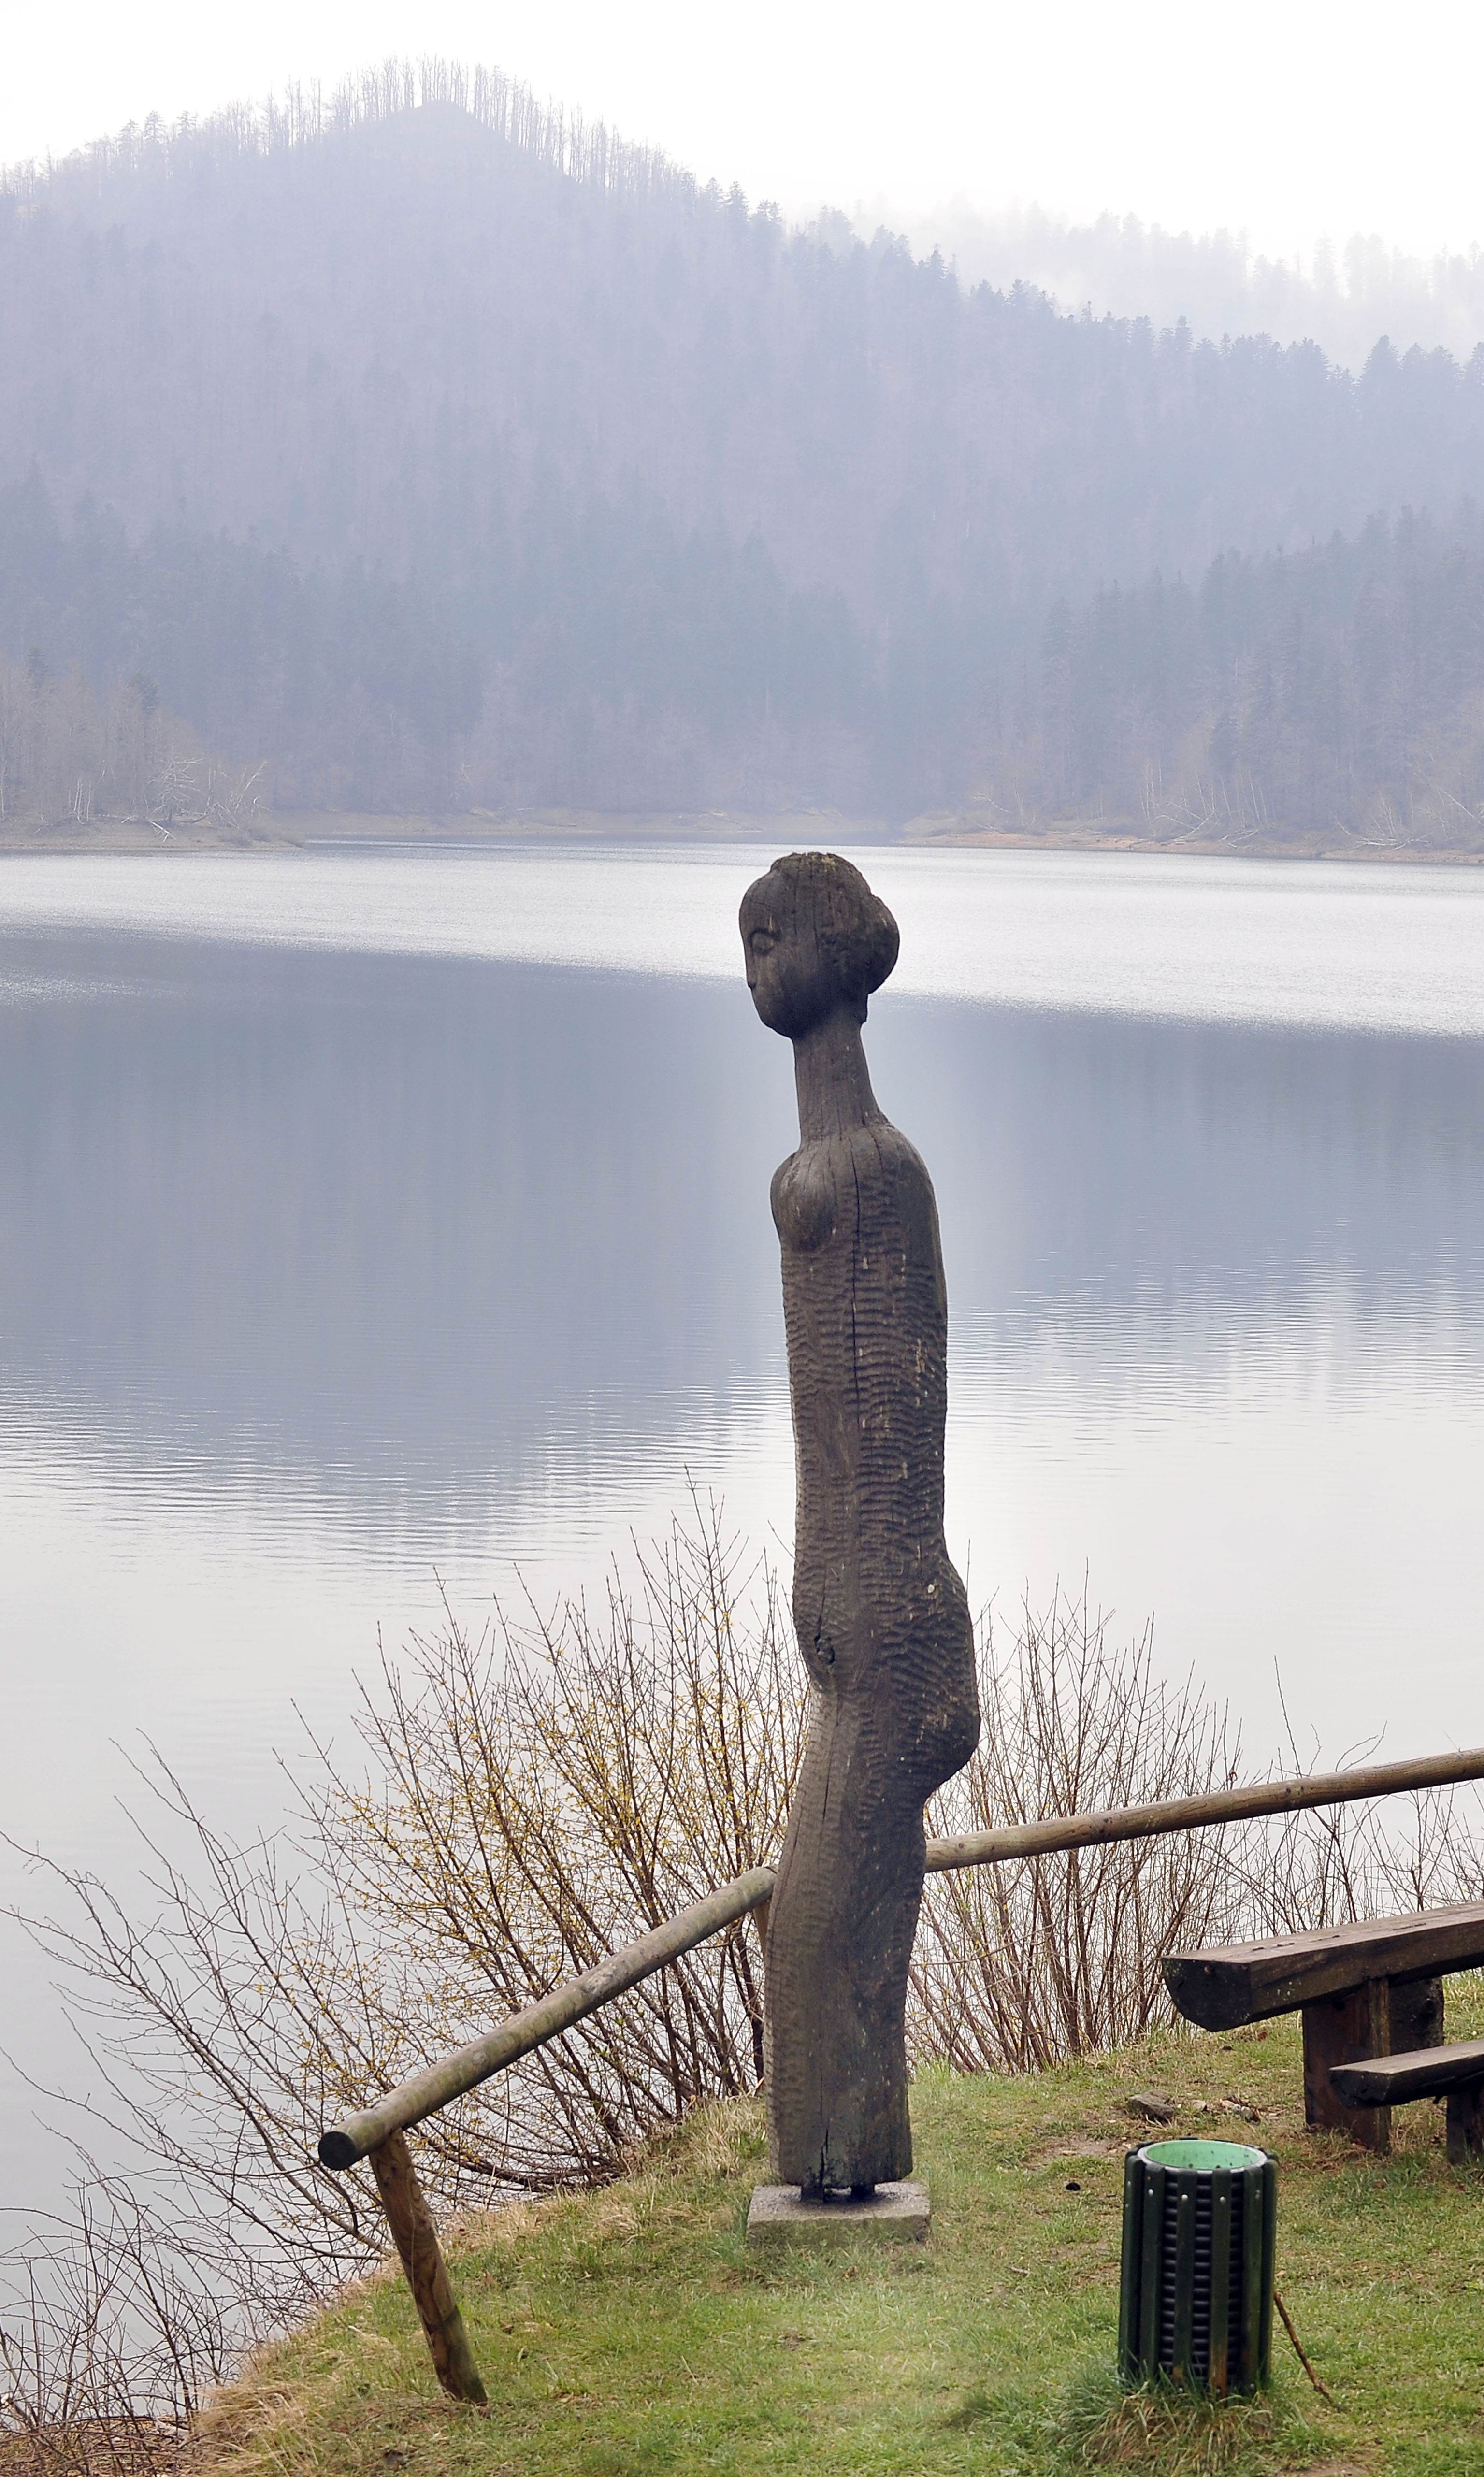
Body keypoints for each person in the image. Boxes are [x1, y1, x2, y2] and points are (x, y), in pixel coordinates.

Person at [740, 850, 980, 2195]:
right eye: (748, 939)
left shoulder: (877, 1174)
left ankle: (840, 2174)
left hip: (894, 1647)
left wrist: (855, 1596)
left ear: (840, 952)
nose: (759, 956)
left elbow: (899, 1421)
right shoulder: (831, 1160)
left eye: (779, 934)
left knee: (815, 1932)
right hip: (859, 1641)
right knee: (830, 1926)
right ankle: (857, 2152)